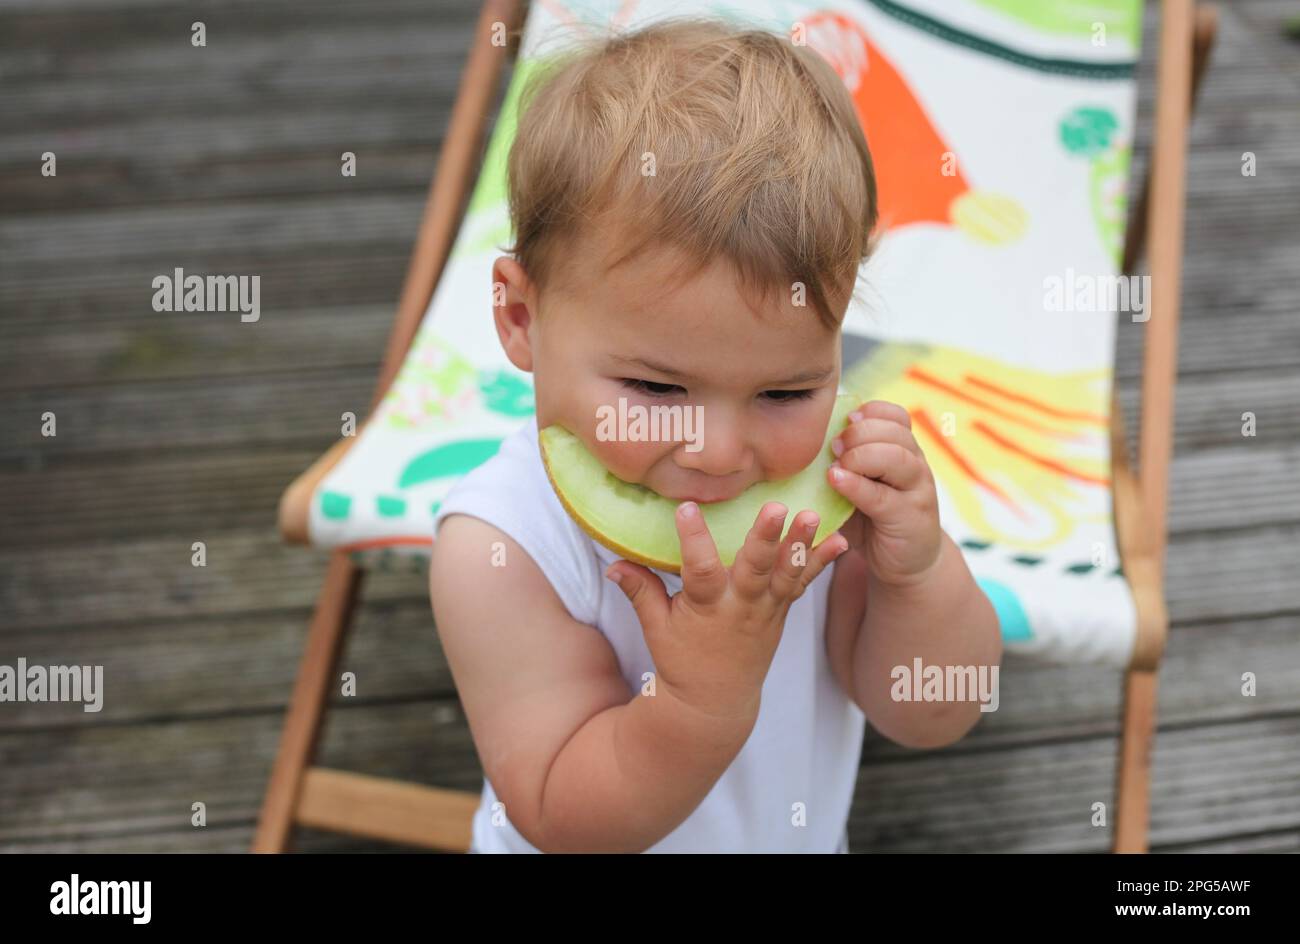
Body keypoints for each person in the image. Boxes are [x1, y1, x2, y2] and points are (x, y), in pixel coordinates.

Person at [431, 17, 1001, 853]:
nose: (719, 452)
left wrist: (918, 577)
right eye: (656, 388)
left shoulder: (831, 503)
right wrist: (701, 696)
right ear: (521, 317)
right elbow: (559, 814)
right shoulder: (503, 546)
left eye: (786, 390)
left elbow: (931, 713)